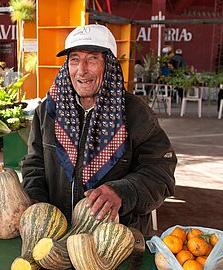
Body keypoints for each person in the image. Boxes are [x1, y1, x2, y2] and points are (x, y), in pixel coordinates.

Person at [21, 24, 177, 234]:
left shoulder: (135, 114)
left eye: (92, 58)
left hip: (117, 239)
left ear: (109, 64)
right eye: (74, 59)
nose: (82, 70)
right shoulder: (49, 112)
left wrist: (123, 191)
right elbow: (35, 164)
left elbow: (160, 175)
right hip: (57, 234)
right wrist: (35, 198)